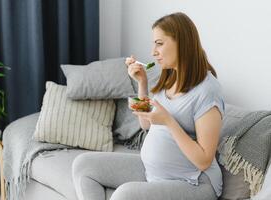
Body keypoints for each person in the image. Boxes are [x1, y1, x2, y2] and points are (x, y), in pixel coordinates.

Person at [72, 12, 225, 200]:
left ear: (182, 43)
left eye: (159, 43)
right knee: (83, 165)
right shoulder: (170, 78)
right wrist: (142, 84)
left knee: (124, 195)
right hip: (154, 173)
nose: (153, 52)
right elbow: (147, 125)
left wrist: (169, 121)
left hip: (195, 183)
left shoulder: (208, 90)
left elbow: (204, 161)